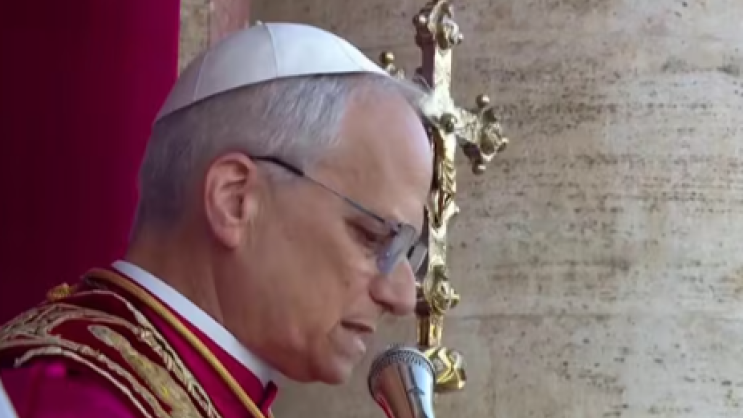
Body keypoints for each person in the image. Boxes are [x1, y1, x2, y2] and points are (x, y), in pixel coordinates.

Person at [0, 22, 432, 418]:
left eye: (407, 252)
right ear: (235, 200)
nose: (402, 297)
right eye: (373, 236)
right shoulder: (74, 402)